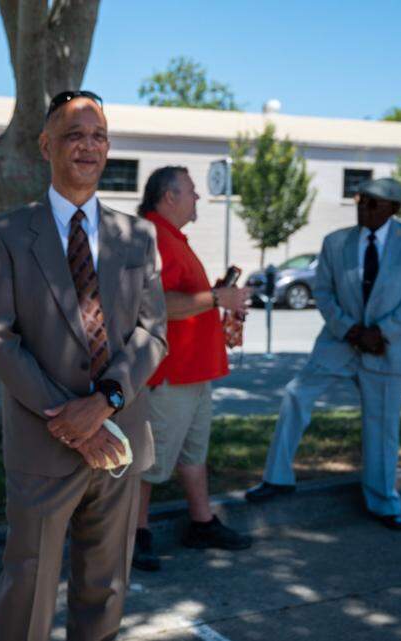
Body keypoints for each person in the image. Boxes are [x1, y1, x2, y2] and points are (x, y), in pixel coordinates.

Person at [0, 90, 167, 641]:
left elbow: (153, 333)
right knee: (28, 592)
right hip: (44, 442)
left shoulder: (138, 236)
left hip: (120, 437)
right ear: (45, 145)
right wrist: (70, 418)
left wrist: (104, 403)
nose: (88, 146)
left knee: (105, 590)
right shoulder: (9, 234)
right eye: (74, 135)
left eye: (98, 136)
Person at [244, 178, 401, 531]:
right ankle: (277, 478)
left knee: (382, 426)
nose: (364, 207)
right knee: (295, 395)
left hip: (386, 347)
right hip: (338, 341)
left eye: (374, 203)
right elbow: (324, 291)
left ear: (394, 209)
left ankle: (382, 501)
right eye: (361, 201)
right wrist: (350, 330)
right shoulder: (335, 242)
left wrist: (381, 331)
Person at [132, 167, 254, 572]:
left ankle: (201, 523)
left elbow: (186, 298)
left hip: (194, 371)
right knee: (151, 461)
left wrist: (216, 297)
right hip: (171, 372)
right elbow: (158, 304)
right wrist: (219, 295)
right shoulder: (153, 235)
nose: (198, 198)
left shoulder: (171, 237)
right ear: (169, 197)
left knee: (192, 454)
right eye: (192, 191)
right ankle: (134, 535)